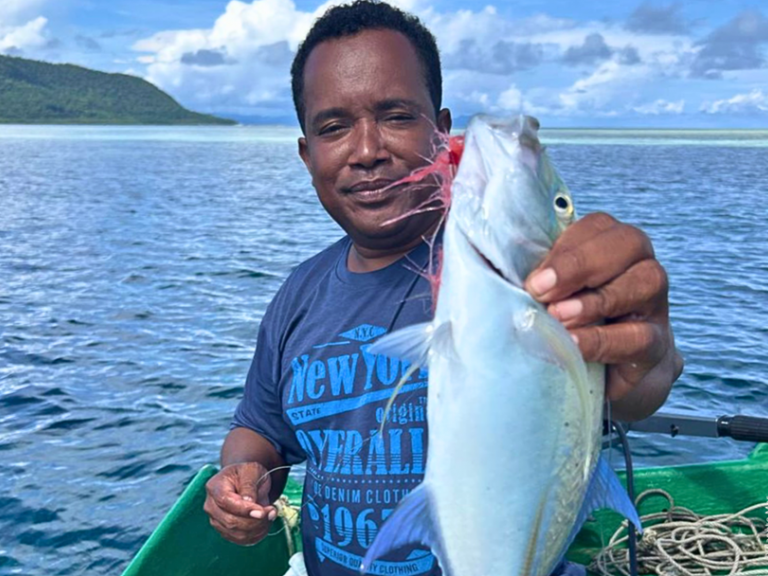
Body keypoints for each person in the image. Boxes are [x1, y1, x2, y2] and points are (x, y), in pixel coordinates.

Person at [203, 2, 684, 575]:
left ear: (442, 130)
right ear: (307, 154)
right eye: (333, 127)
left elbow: (638, 382)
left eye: (397, 115)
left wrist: (645, 349)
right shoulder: (298, 295)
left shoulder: (543, 277)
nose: (366, 150)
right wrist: (240, 478)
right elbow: (259, 428)